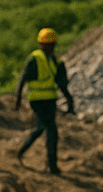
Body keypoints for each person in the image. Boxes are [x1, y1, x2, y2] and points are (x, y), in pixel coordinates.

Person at [14, 27, 74, 175]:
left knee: (44, 128)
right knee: (48, 129)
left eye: (51, 44)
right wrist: (18, 98)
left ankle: (45, 162)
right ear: (41, 44)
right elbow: (22, 78)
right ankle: (49, 165)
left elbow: (62, 84)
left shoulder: (56, 62)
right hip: (36, 101)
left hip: (50, 100)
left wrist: (70, 102)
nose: (49, 47)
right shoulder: (35, 59)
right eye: (47, 44)